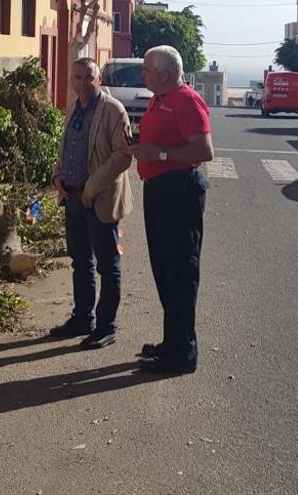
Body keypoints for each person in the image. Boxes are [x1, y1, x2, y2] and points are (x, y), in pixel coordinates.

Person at [129, 46, 214, 374]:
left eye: (147, 69)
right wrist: (141, 146)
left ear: (164, 74)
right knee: (164, 270)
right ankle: (173, 342)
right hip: (160, 191)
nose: (143, 75)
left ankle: (182, 354)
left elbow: (205, 150)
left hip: (178, 191)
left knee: (180, 272)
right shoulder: (160, 98)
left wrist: (159, 154)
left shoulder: (186, 100)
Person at [50, 58, 134, 350]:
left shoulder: (112, 110)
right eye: (77, 77)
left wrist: (91, 187)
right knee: (80, 262)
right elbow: (67, 146)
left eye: (89, 77)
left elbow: (122, 156)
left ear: (99, 79)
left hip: (99, 200)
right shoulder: (73, 107)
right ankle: (82, 318)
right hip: (72, 197)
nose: (83, 83)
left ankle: (106, 325)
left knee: (107, 266)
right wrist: (58, 176)